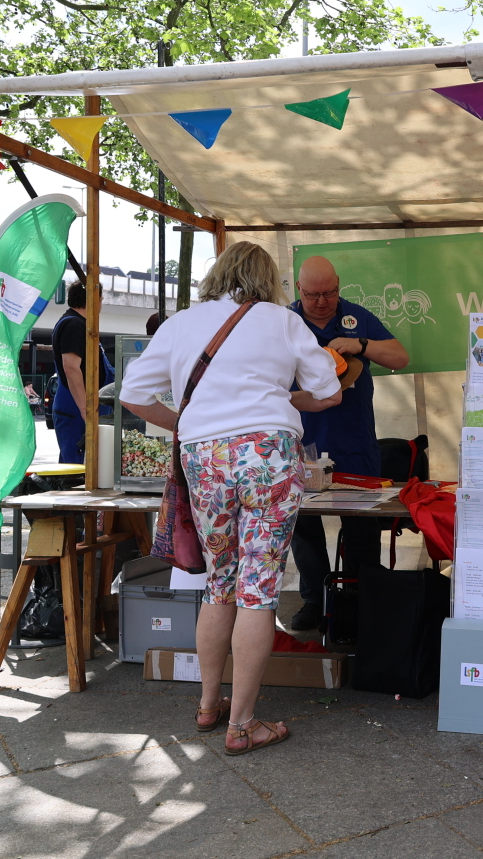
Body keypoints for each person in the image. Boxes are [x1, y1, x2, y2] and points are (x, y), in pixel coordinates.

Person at [119, 241, 343, 755]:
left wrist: (191, 423)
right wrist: (275, 397)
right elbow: (329, 391)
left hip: (204, 457)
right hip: (268, 454)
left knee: (220, 584)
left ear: (218, 274)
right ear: (271, 280)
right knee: (258, 590)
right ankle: (242, 725)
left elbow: (131, 394)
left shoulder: (179, 324)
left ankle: (206, 705)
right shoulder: (281, 321)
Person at [285, 255, 410, 631]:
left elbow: (400, 357)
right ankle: (315, 600)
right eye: (313, 295)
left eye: (330, 292)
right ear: (298, 290)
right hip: (301, 443)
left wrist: (361, 344)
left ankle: (359, 601)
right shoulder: (283, 322)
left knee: (361, 527)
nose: (322, 301)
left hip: (353, 441)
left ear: (339, 285)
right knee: (303, 528)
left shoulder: (357, 317)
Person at [51, 281, 114, 465]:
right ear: (93, 300)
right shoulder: (73, 325)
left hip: (79, 407)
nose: (101, 305)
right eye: (101, 299)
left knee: (83, 465)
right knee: (76, 467)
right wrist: (84, 408)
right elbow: (71, 368)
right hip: (76, 408)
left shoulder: (78, 324)